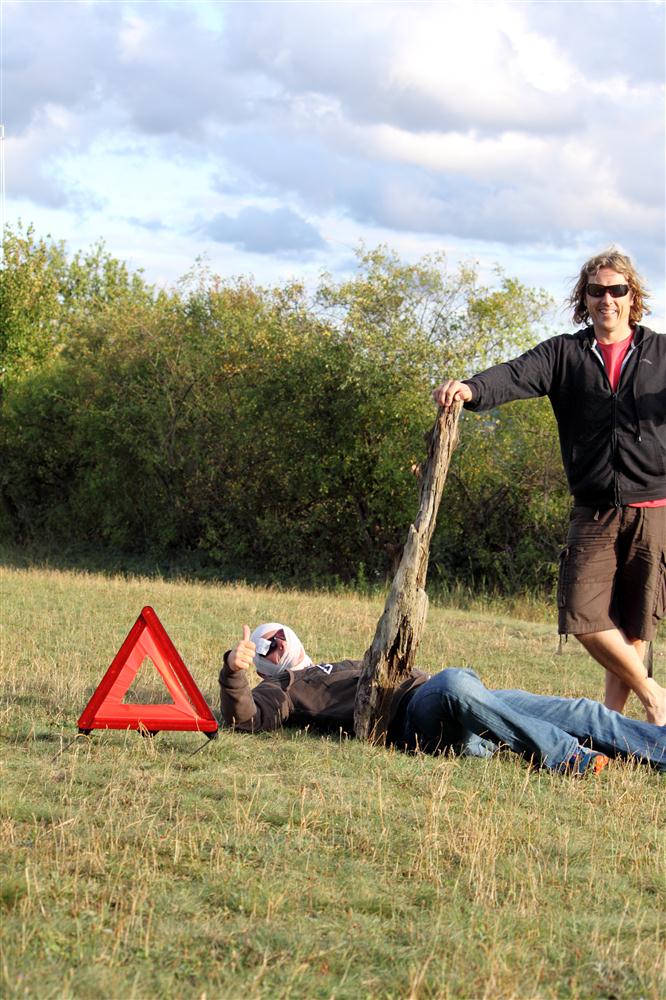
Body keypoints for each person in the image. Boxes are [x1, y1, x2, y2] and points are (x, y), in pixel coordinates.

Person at [432, 248, 666, 726]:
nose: (607, 299)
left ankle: (614, 728)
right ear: (585, 298)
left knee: (634, 625)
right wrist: (472, 389)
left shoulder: (660, 353)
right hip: (594, 507)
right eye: (597, 290)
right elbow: (515, 375)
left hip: (654, 505)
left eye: (616, 290)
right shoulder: (564, 354)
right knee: (582, 613)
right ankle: (654, 694)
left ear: (632, 297)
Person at [219, 622, 666, 775]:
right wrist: (233, 673)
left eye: (277, 634)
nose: (276, 643)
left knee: (579, 709)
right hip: (415, 716)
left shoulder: (336, 664)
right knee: (454, 684)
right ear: (263, 667)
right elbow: (246, 719)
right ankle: (565, 756)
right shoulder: (284, 688)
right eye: (265, 647)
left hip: (464, 699)